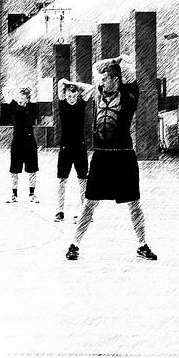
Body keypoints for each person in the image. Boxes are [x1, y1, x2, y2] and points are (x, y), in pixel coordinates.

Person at [65, 55, 157, 261]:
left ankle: (142, 245)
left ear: (117, 79)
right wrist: (112, 60)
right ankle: (74, 243)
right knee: (89, 204)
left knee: (134, 204)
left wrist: (121, 61)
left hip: (124, 157)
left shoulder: (129, 95)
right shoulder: (98, 93)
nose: (102, 80)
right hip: (101, 157)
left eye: (107, 78)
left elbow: (131, 73)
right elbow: (96, 67)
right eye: (103, 78)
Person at [54, 78, 94, 222]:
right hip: (65, 148)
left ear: (77, 96)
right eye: (69, 96)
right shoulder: (62, 104)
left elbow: (90, 87)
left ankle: (85, 211)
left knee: (83, 179)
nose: (71, 99)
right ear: (65, 96)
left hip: (80, 147)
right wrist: (67, 85)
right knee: (62, 180)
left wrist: (75, 85)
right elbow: (60, 83)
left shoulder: (81, 104)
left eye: (74, 96)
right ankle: (59, 210)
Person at [4, 86, 39, 203]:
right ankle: (14, 195)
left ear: (27, 99)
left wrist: (29, 91)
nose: (20, 100)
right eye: (19, 97)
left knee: (32, 170)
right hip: (17, 143)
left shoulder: (31, 108)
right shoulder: (13, 106)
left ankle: (32, 194)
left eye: (22, 98)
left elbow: (33, 99)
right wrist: (16, 88)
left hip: (30, 143)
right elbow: (5, 91)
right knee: (14, 170)